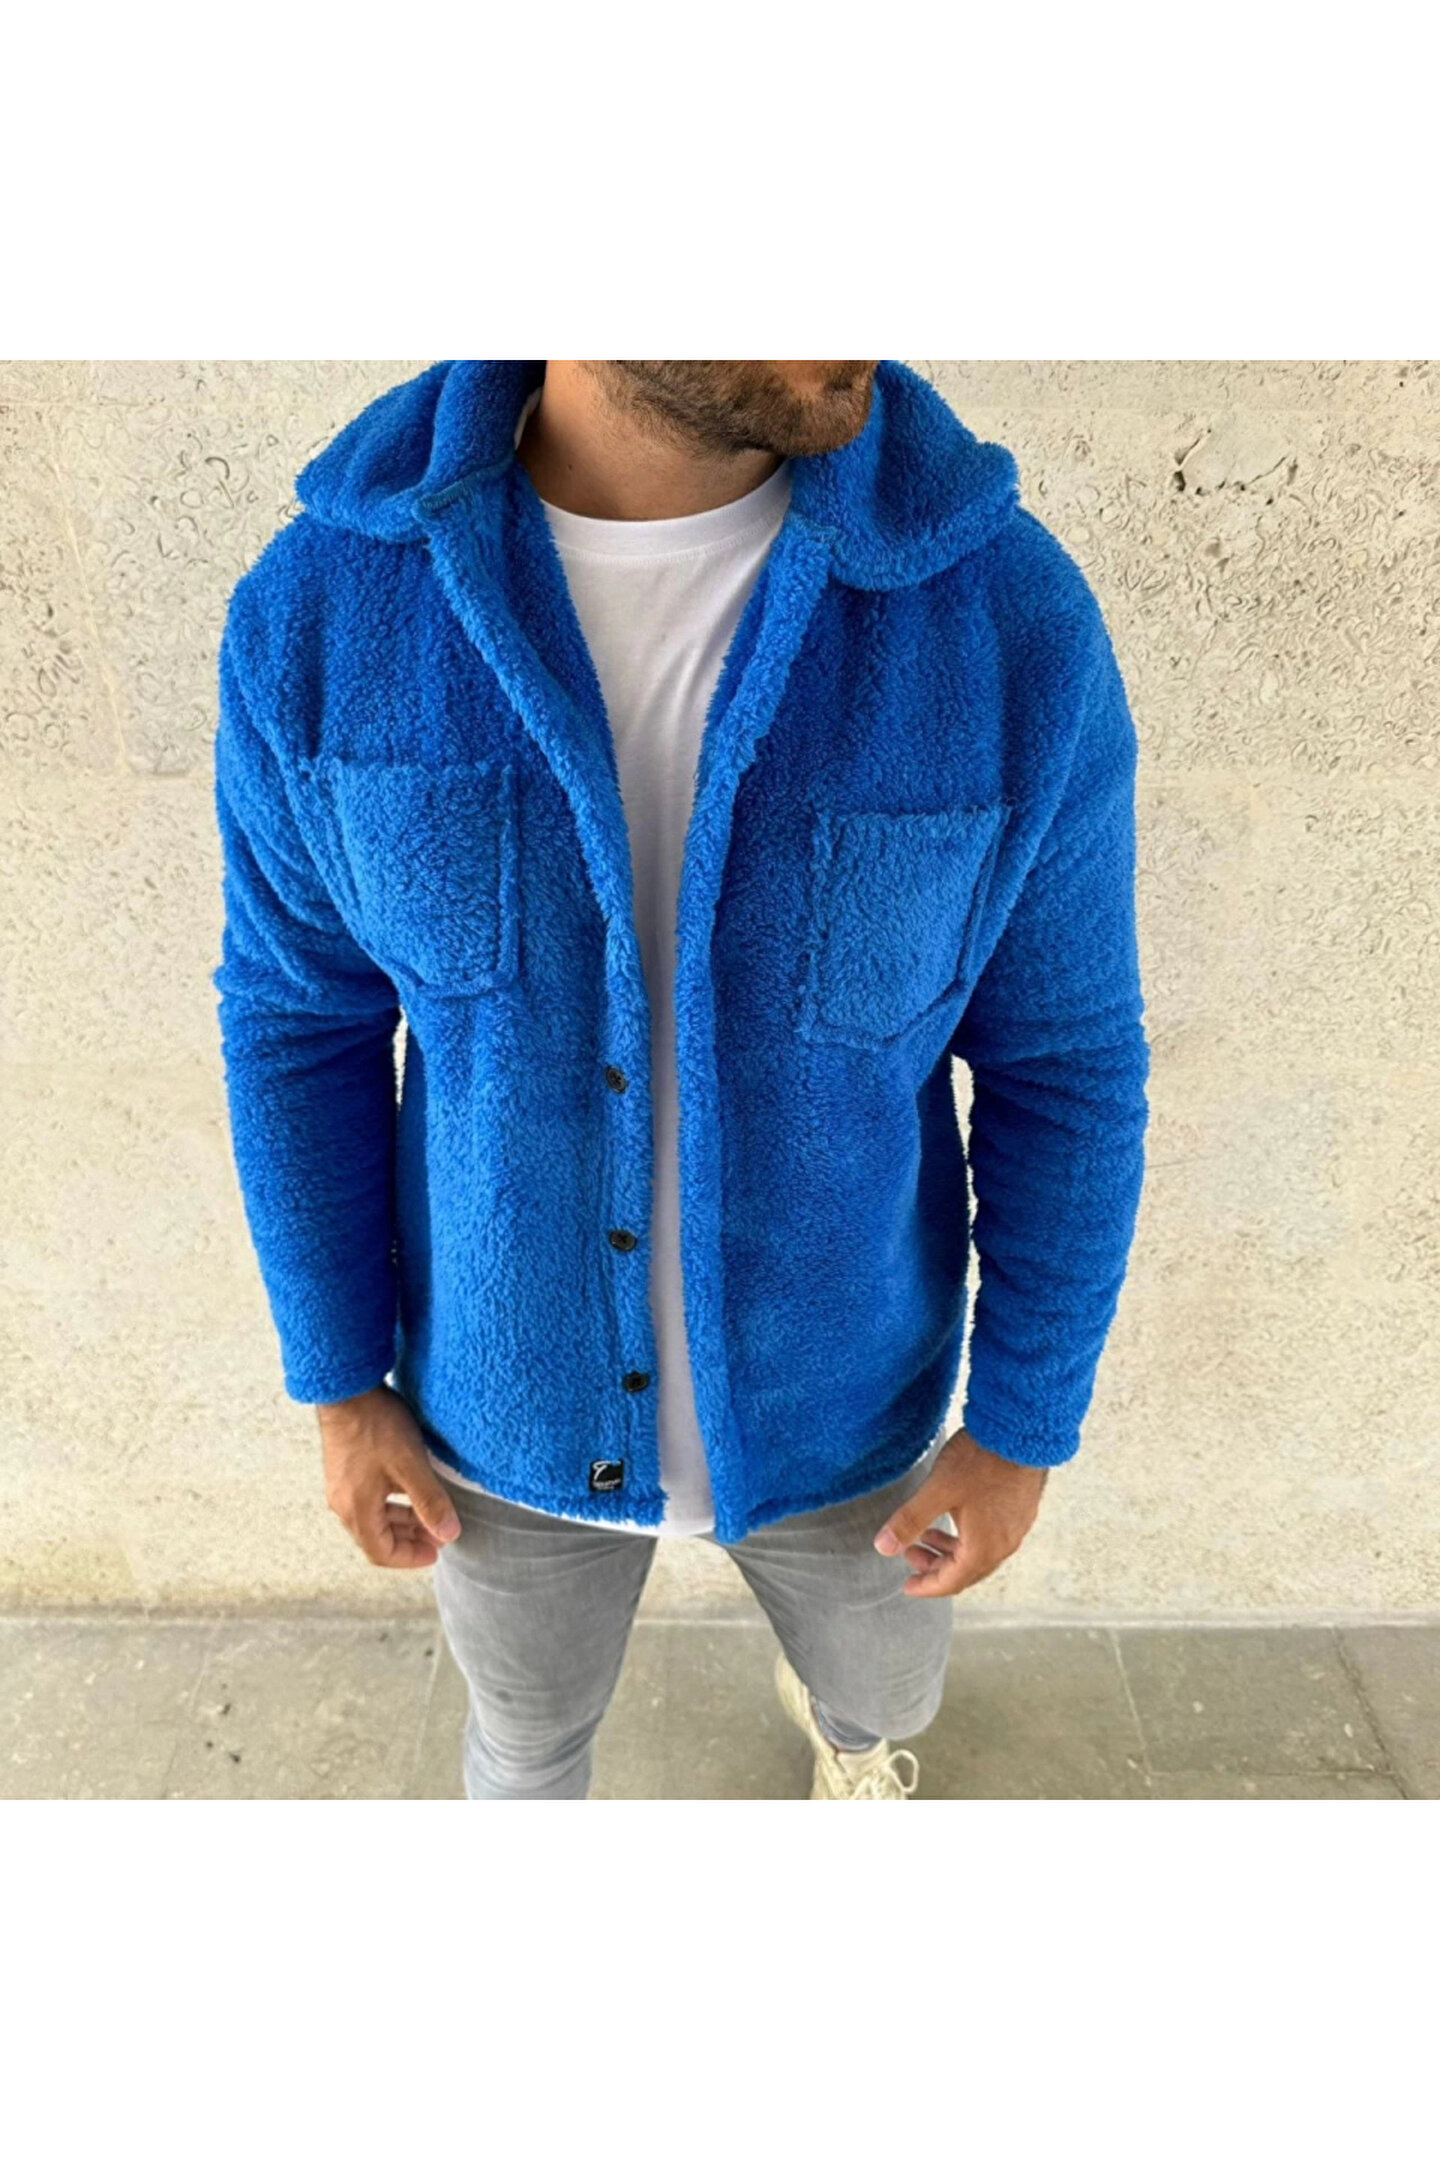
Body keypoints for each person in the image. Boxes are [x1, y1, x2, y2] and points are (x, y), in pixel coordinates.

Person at [211, 360, 1150, 1800]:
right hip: (497, 1411)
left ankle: (850, 1747)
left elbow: (1063, 1062)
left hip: (855, 1411)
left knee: (886, 1695)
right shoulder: (324, 611)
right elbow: (298, 1025)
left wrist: (1024, 1422)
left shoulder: (1003, 618)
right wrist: (340, 1384)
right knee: (527, 1743)